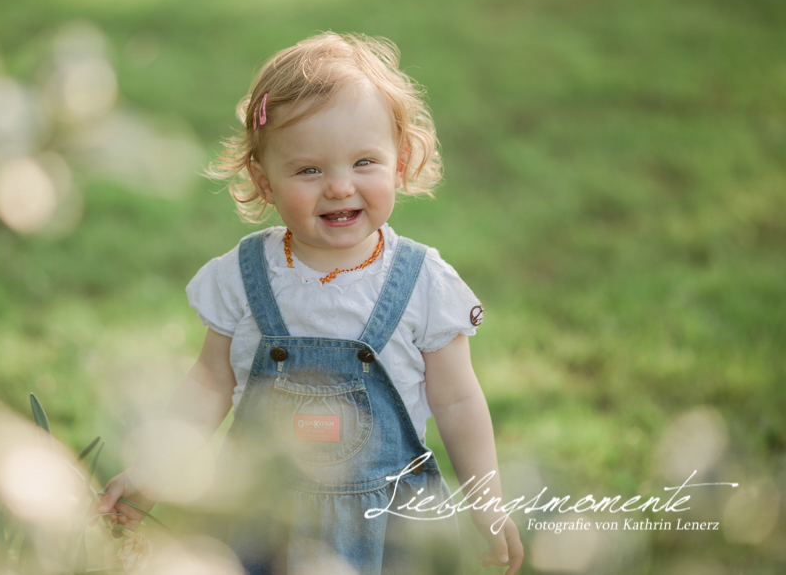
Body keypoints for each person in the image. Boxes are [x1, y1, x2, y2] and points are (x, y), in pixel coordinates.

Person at [98, 32, 524, 575]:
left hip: (388, 527)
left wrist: (487, 503)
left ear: (400, 164)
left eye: (364, 161)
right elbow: (209, 380)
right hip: (260, 522)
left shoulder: (423, 283)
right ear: (264, 182)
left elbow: (459, 401)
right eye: (309, 170)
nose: (340, 187)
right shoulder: (244, 277)